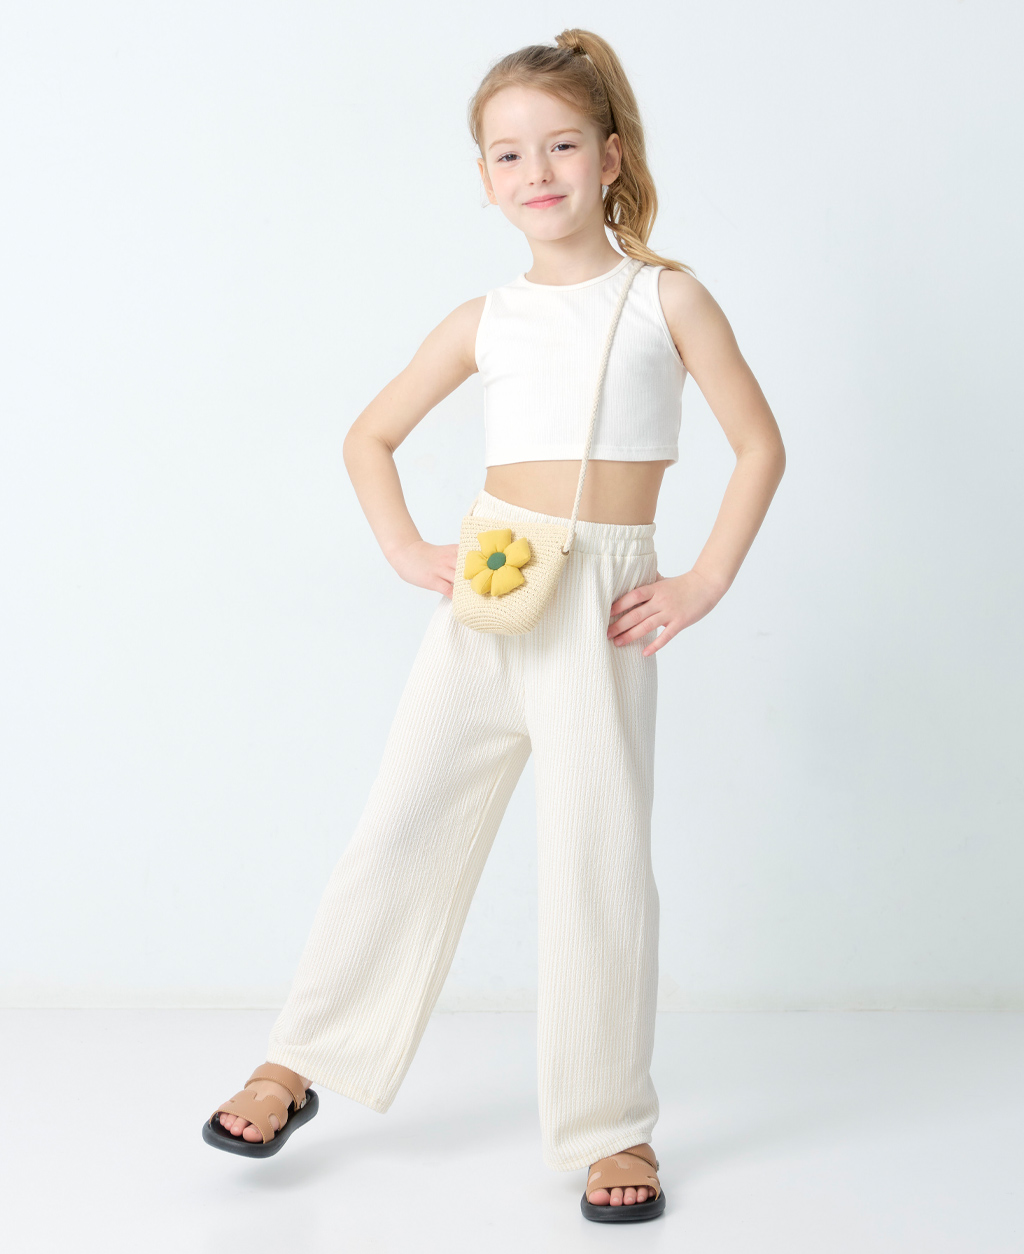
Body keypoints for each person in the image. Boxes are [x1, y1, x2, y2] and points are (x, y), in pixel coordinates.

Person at [202, 27, 786, 1224]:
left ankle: (611, 1124)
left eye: (561, 145)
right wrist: (408, 548)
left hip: (601, 608)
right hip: (490, 593)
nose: (537, 171)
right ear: (483, 179)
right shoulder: (485, 318)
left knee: (596, 864)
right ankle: (297, 1059)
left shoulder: (666, 298)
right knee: (401, 829)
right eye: (508, 154)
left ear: (610, 156)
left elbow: (758, 445)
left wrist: (703, 581)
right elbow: (368, 437)